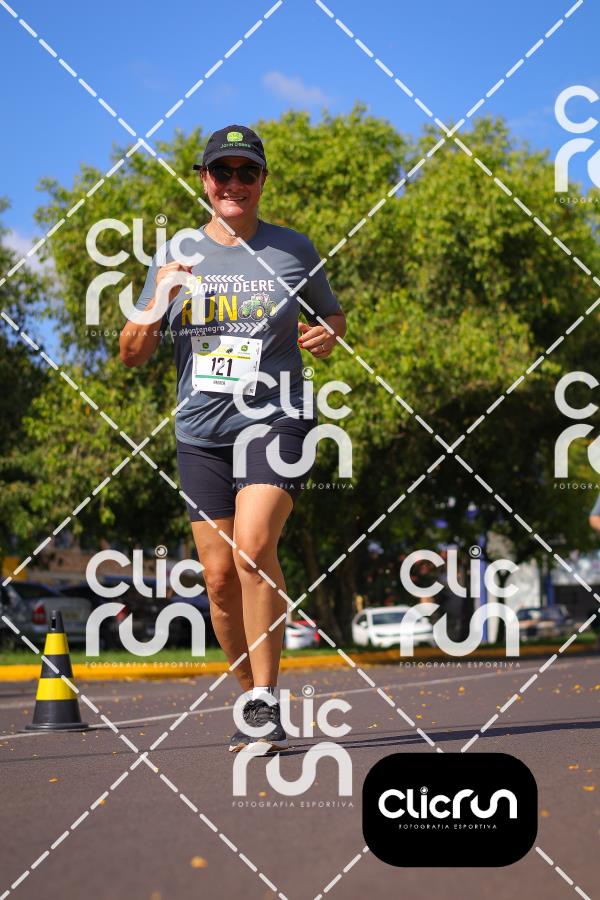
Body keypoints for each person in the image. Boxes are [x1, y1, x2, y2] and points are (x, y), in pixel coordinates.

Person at [119, 124, 346, 751]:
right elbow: (131, 354)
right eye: (223, 172)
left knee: (252, 549)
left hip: (276, 417)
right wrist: (159, 297)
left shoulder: (293, 248)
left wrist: (328, 333)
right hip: (201, 431)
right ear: (204, 180)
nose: (234, 183)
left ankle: (268, 700)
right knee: (219, 579)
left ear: (263, 180)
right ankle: (252, 698)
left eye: (247, 172)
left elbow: (331, 314)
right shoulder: (177, 252)